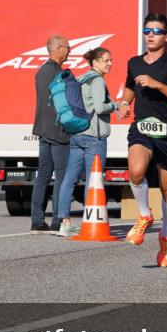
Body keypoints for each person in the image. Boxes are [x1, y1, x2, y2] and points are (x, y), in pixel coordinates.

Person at [117, 14, 167, 267]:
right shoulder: (134, 62)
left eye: (156, 31)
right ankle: (145, 216)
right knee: (136, 172)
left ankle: (166, 236)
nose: (150, 35)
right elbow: (129, 87)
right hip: (142, 129)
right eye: (146, 30)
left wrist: (158, 84)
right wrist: (125, 103)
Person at [54, 47, 116, 238]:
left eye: (110, 60)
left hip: (77, 134)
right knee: (93, 180)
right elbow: (99, 107)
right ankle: (90, 221)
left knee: (69, 179)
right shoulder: (97, 80)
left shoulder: (81, 78)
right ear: (95, 62)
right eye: (106, 60)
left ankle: (64, 222)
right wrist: (114, 105)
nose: (110, 63)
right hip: (94, 138)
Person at [31, 35, 71, 234]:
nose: (69, 50)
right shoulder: (59, 74)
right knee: (62, 176)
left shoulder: (41, 72)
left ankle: (37, 221)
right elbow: (63, 104)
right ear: (57, 48)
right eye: (67, 47)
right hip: (58, 131)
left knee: (43, 176)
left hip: (42, 129)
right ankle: (57, 220)